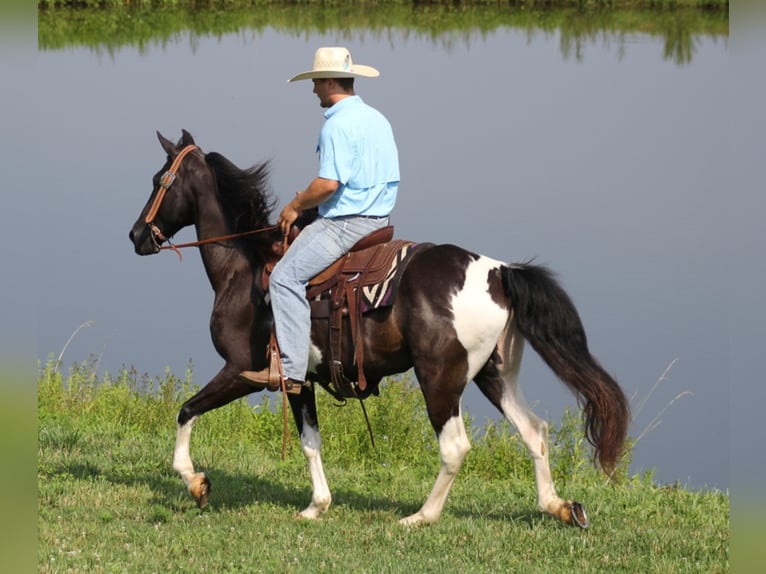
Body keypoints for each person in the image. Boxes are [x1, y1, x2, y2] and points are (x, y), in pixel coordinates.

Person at [241, 46, 400, 390]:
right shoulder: (377, 119)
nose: (313, 90)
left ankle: (291, 370)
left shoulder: (337, 126)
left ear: (329, 82)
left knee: (284, 277)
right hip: (379, 220)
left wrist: (296, 205)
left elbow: (329, 184)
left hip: (345, 225)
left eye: (315, 82)